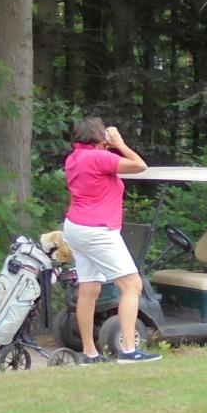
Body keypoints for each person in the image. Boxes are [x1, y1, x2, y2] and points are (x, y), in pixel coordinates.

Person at [61, 116, 160, 363]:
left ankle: (89, 353)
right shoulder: (98, 158)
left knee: (89, 289)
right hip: (98, 230)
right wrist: (120, 144)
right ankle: (128, 349)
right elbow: (139, 166)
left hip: (75, 227)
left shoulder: (74, 158)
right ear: (98, 136)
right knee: (131, 285)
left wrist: (107, 145)